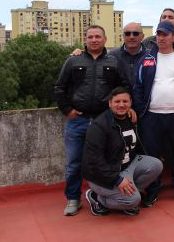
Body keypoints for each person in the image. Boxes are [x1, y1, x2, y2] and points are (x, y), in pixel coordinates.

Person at [54, 25, 131, 216]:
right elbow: (59, 87)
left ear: (105, 39)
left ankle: (103, 196)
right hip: (78, 121)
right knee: (74, 162)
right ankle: (73, 199)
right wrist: (67, 110)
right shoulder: (73, 61)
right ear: (85, 39)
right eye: (90, 37)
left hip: (105, 121)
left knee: (108, 161)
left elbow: (124, 87)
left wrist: (126, 109)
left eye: (98, 37)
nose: (94, 40)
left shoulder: (114, 61)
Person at [133, 20, 174, 205]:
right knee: (152, 156)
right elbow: (137, 87)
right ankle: (153, 190)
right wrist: (141, 111)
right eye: (159, 34)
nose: (161, 38)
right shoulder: (146, 59)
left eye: (165, 34)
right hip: (152, 116)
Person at [82, 87, 163, 216]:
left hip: (127, 165)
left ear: (131, 103)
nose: (121, 105)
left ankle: (128, 191)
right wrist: (117, 180)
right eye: (117, 101)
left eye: (125, 101)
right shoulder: (99, 126)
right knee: (134, 200)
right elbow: (94, 160)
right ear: (110, 103)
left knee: (156, 165)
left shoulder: (130, 118)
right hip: (103, 174)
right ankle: (97, 198)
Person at [70, 22, 145, 88]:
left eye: (135, 33)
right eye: (127, 34)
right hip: (120, 103)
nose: (131, 37)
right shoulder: (112, 55)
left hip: (145, 103)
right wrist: (82, 53)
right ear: (123, 36)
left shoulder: (151, 57)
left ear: (142, 36)